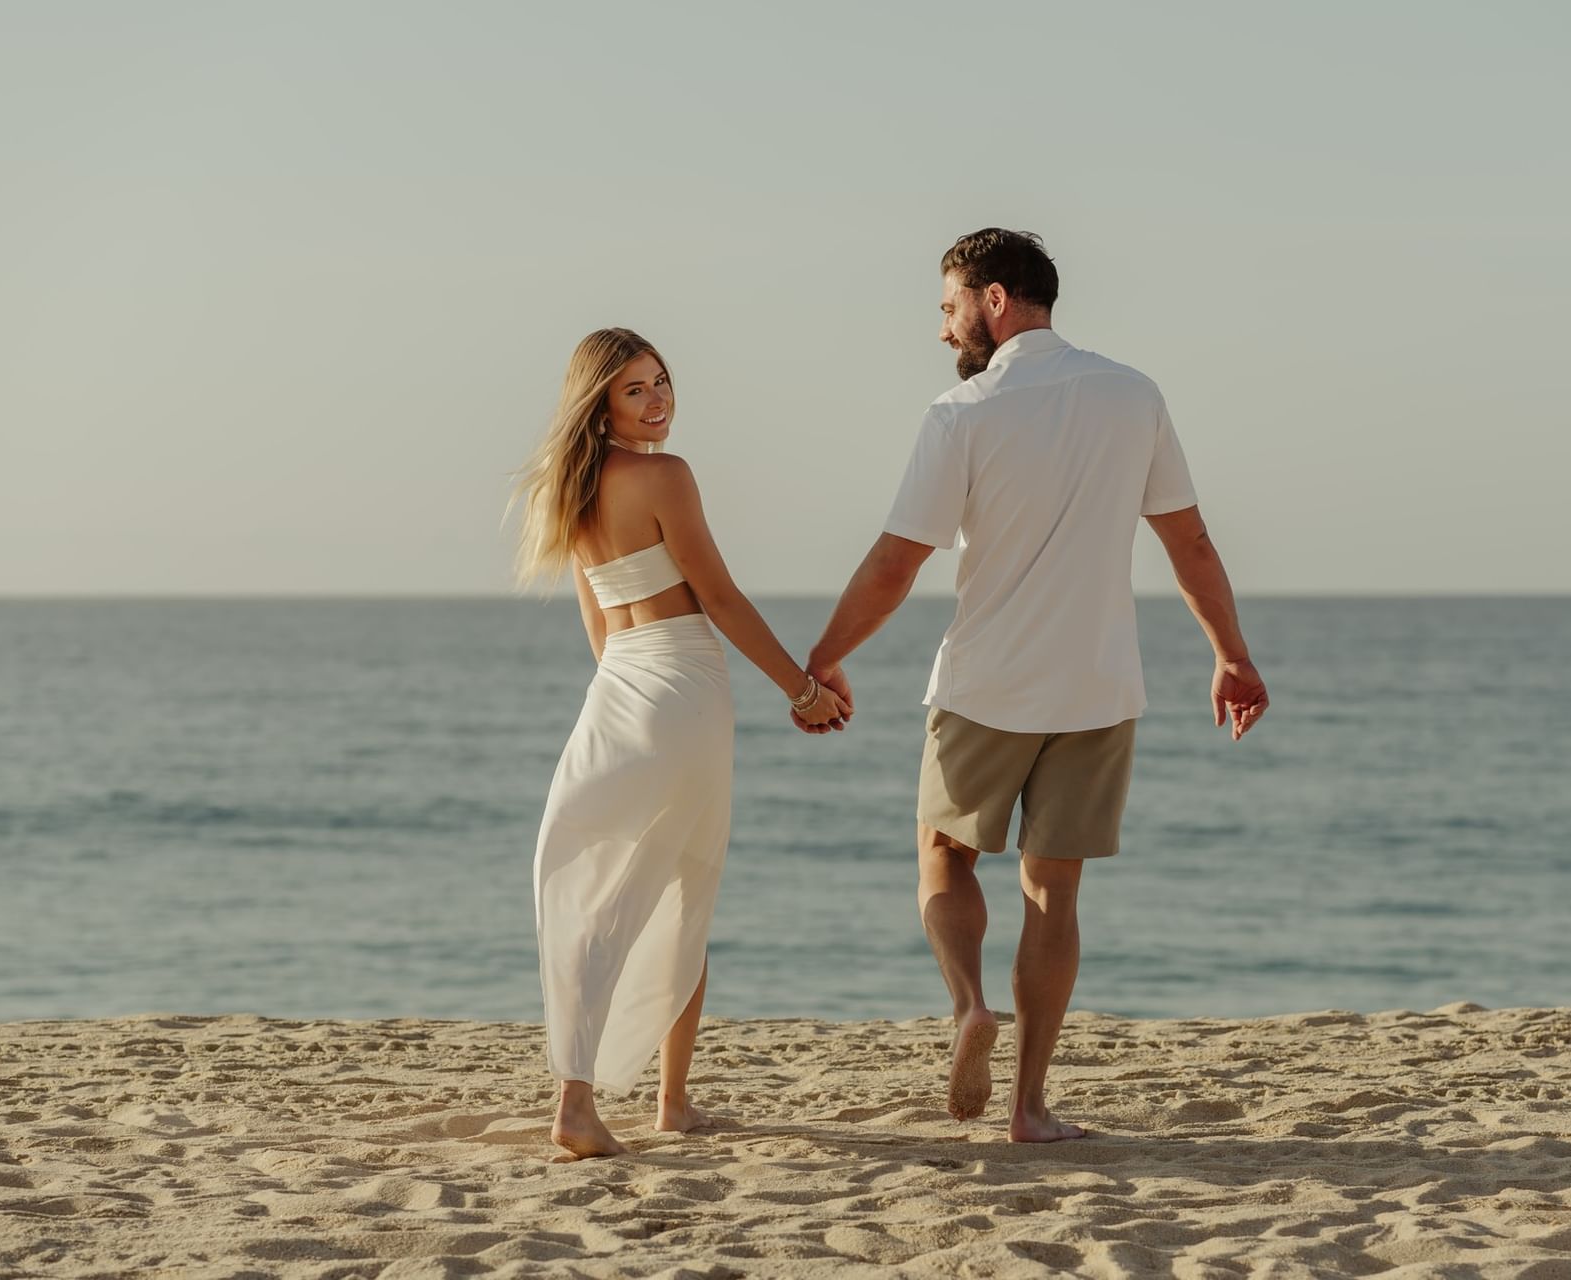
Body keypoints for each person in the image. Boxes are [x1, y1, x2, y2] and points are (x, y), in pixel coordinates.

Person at [797, 229, 1268, 1142]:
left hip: (985, 686)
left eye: (948, 307)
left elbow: (898, 560)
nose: (943, 329)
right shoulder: (1135, 396)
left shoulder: (961, 412)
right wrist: (1231, 655)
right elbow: (1192, 543)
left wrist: (824, 656)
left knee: (943, 853)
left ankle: (970, 1003)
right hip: (1098, 686)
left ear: (995, 300)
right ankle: (1030, 1108)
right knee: (1054, 892)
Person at [515, 328, 849, 1159]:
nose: (659, 399)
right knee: (684, 887)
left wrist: (627, 692)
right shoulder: (666, 475)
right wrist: (802, 690)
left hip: (619, 688)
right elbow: (722, 598)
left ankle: (630, 1098)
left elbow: (599, 624)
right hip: (685, 685)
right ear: (600, 401)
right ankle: (636, 1103)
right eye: (636, 389)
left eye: (662, 381)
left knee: (612, 893)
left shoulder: (569, 489)